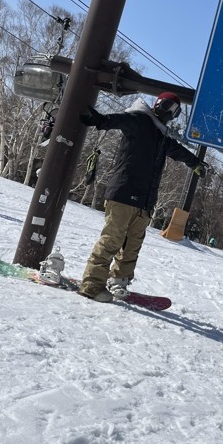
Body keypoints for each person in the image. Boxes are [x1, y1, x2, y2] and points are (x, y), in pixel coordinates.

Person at [78, 92, 208, 302]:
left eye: (174, 111)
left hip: (145, 201)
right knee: (112, 240)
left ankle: (119, 280)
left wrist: (196, 163)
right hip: (123, 193)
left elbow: (178, 151)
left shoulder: (162, 136)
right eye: (167, 106)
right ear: (157, 104)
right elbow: (121, 120)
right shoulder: (139, 120)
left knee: (132, 246)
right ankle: (92, 285)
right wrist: (101, 120)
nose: (169, 112)